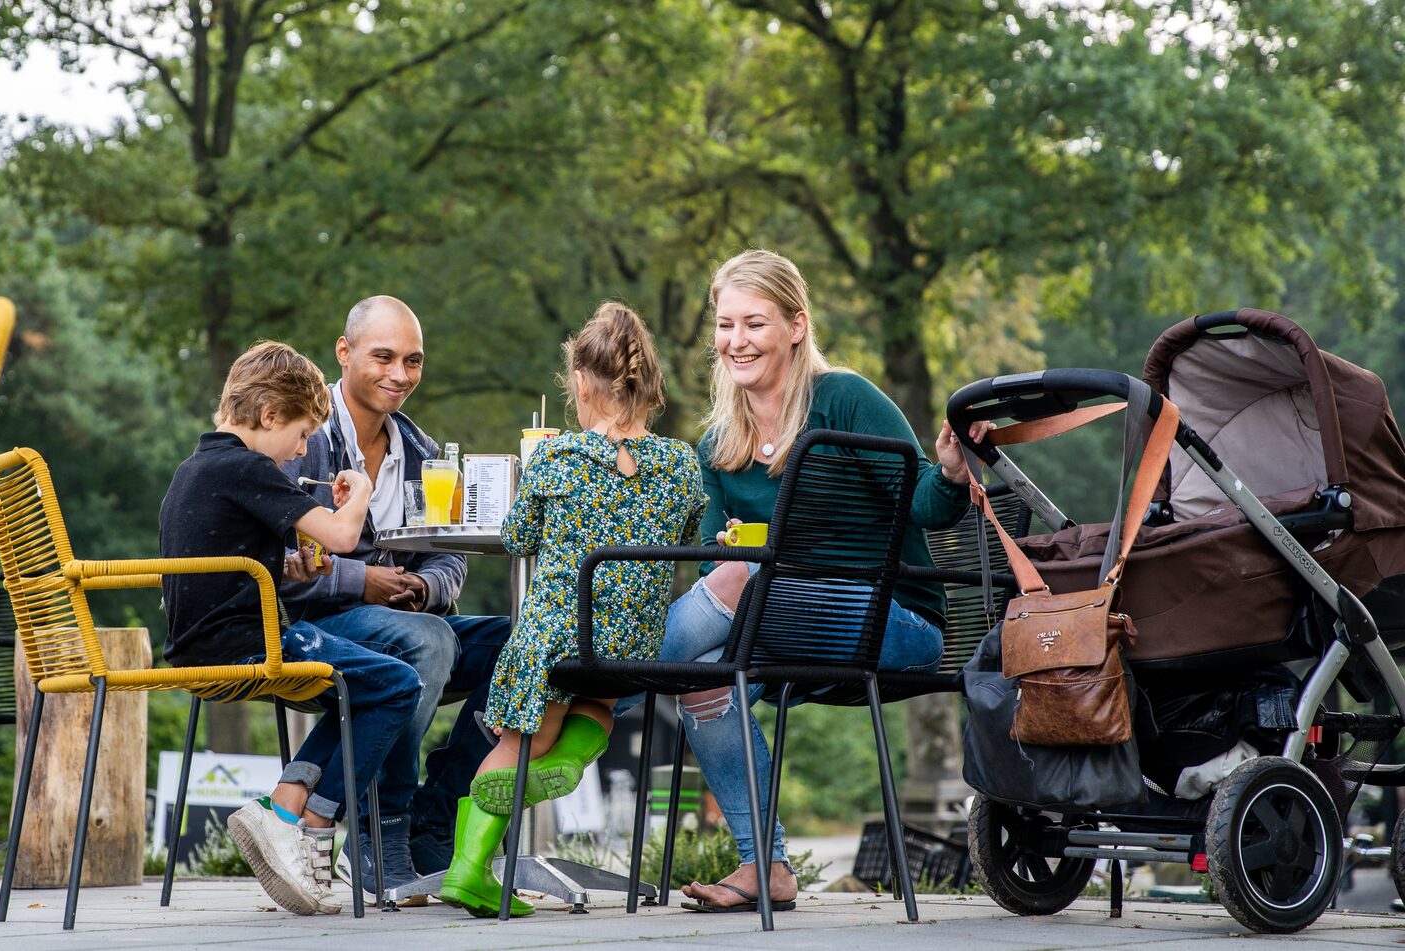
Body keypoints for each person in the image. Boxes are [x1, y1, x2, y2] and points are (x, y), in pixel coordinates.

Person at [649, 250, 986, 913]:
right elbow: (715, 568)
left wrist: (947, 470)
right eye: (725, 324)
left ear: (796, 325)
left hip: (896, 622)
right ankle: (765, 864)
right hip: (779, 624)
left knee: (739, 583)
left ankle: (610, 675)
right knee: (704, 676)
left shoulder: (846, 399)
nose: (735, 341)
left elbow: (921, 502)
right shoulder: (718, 443)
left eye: (754, 323)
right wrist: (731, 560)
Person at [436, 302, 705, 918]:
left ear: (580, 383)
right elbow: (689, 530)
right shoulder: (681, 464)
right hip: (625, 647)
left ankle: (468, 867)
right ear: (649, 386)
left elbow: (515, 538)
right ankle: (565, 765)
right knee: (597, 706)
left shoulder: (556, 459)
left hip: (550, 641)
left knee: (516, 739)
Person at [160, 340, 421, 916]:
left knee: (357, 691)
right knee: (400, 684)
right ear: (271, 415)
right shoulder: (248, 465)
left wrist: (283, 566)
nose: (301, 451)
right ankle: (312, 822)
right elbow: (344, 539)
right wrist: (359, 497)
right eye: (301, 435)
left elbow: (227, 558)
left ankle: (286, 804)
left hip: (198, 646)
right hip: (251, 643)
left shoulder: (195, 468)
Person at [279, 295, 510, 897]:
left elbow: (451, 550)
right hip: (319, 629)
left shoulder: (426, 453)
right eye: (384, 357)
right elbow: (276, 564)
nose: (400, 375)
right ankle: (383, 823)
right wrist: (365, 582)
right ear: (344, 352)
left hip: (405, 621)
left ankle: (439, 816)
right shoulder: (300, 441)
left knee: (524, 645)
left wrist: (425, 586)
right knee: (428, 645)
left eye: (414, 361)